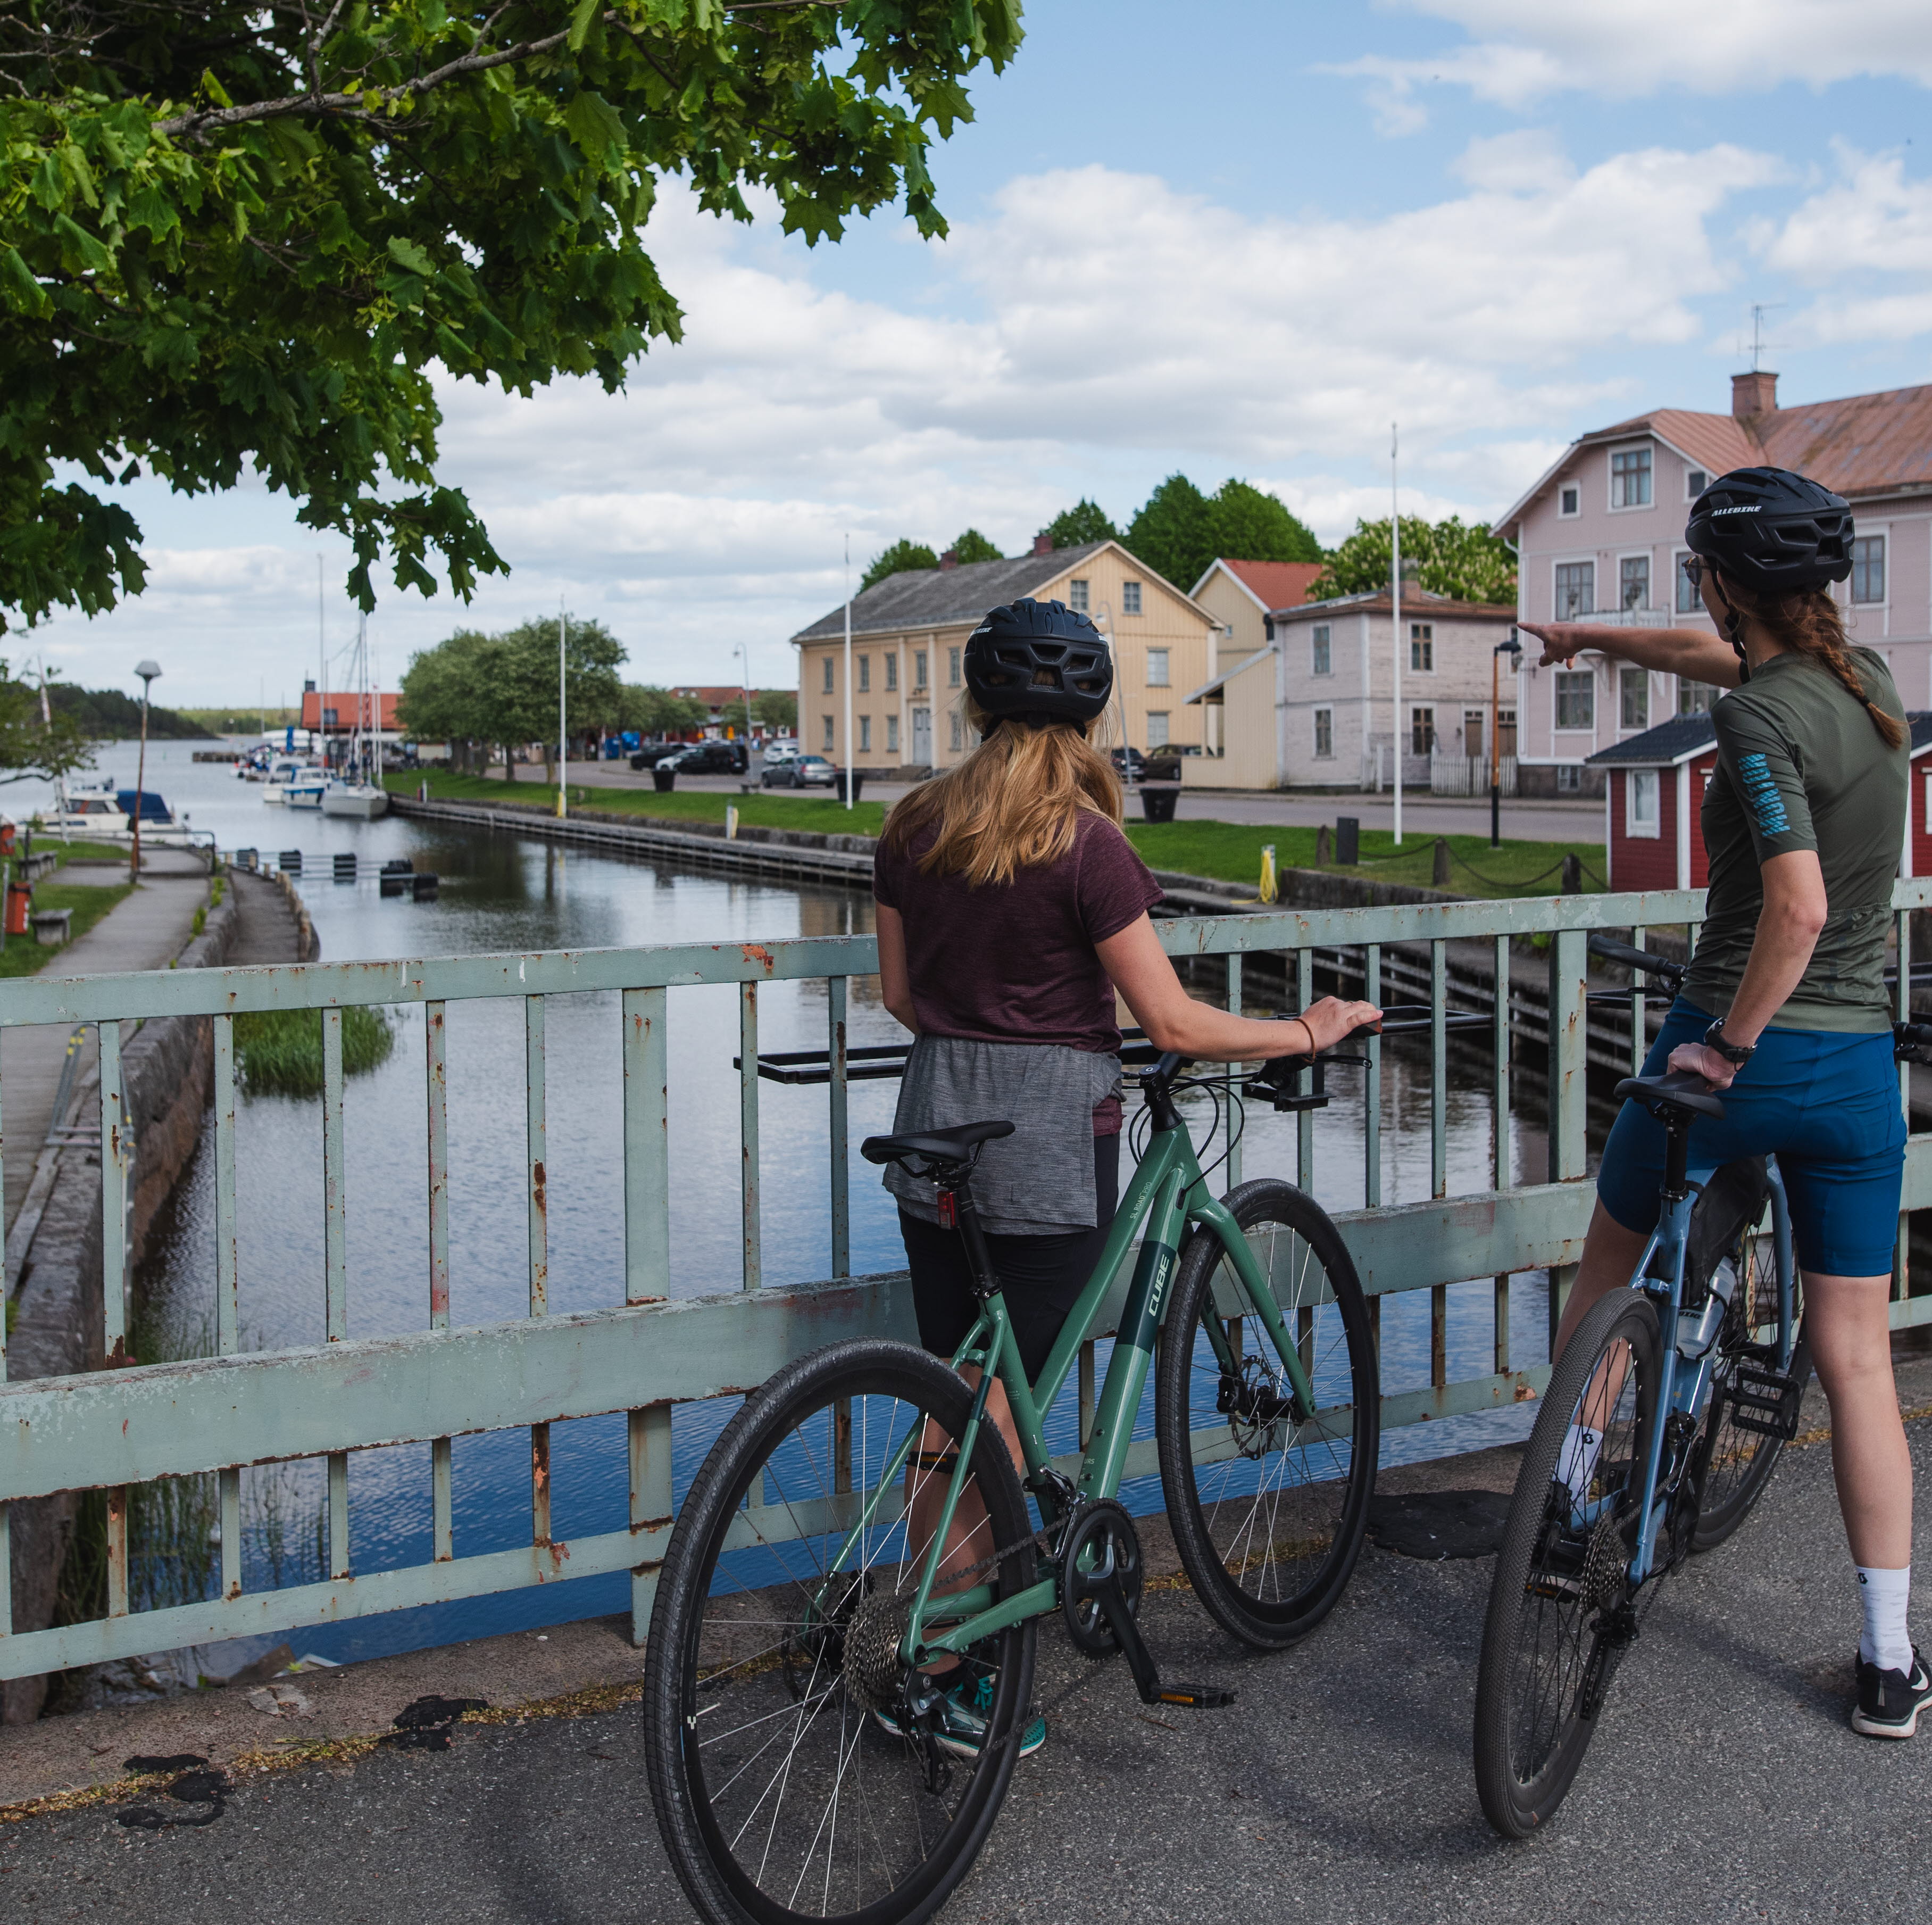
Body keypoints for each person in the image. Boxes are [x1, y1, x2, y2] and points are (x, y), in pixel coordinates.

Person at [870, 594, 1379, 1759]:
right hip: (1047, 1146)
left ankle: (935, 1627)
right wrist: (1308, 1031)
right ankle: (936, 1665)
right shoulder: (1087, 845)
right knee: (992, 1413)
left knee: (960, 1395)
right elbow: (1170, 1021)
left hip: (934, 1123)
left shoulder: (911, 826)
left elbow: (902, 1000)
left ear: (978, 702)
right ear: (1091, 715)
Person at [1522, 465, 1920, 1738]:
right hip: (1858, 1075)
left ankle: (1566, 1507)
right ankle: (1886, 1662)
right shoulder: (1873, 694)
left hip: (1740, 1048)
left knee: (1604, 1278)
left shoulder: (1755, 724)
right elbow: (1717, 653)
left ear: (1718, 580)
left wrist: (1725, 1048)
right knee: (1858, 1364)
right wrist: (1587, 635)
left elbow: (1793, 908)